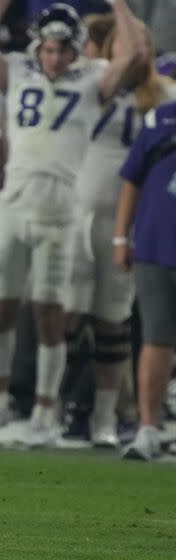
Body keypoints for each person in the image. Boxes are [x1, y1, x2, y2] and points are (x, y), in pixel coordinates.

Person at [0, 0, 142, 447]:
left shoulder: (91, 80)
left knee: (50, 312)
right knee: (2, 305)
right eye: (50, 48)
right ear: (38, 46)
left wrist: (118, 4)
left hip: (61, 204)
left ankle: (46, 411)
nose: (57, 58)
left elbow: (134, 55)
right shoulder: (19, 71)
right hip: (14, 201)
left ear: (75, 49)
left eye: (65, 49)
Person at [65, 19, 173, 448]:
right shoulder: (90, 82)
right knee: (66, 318)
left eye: (145, 42)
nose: (140, 51)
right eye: (132, 44)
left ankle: (107, 416)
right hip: (79, 210)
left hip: (125, 218)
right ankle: (62, 408)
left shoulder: (163, 95)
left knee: (113, 321)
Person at [114, 99, 176, 461]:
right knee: (157, 337)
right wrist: (121, 236)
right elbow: (132, 179)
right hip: (156, 241)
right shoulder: (160, 117)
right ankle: (148, 429)